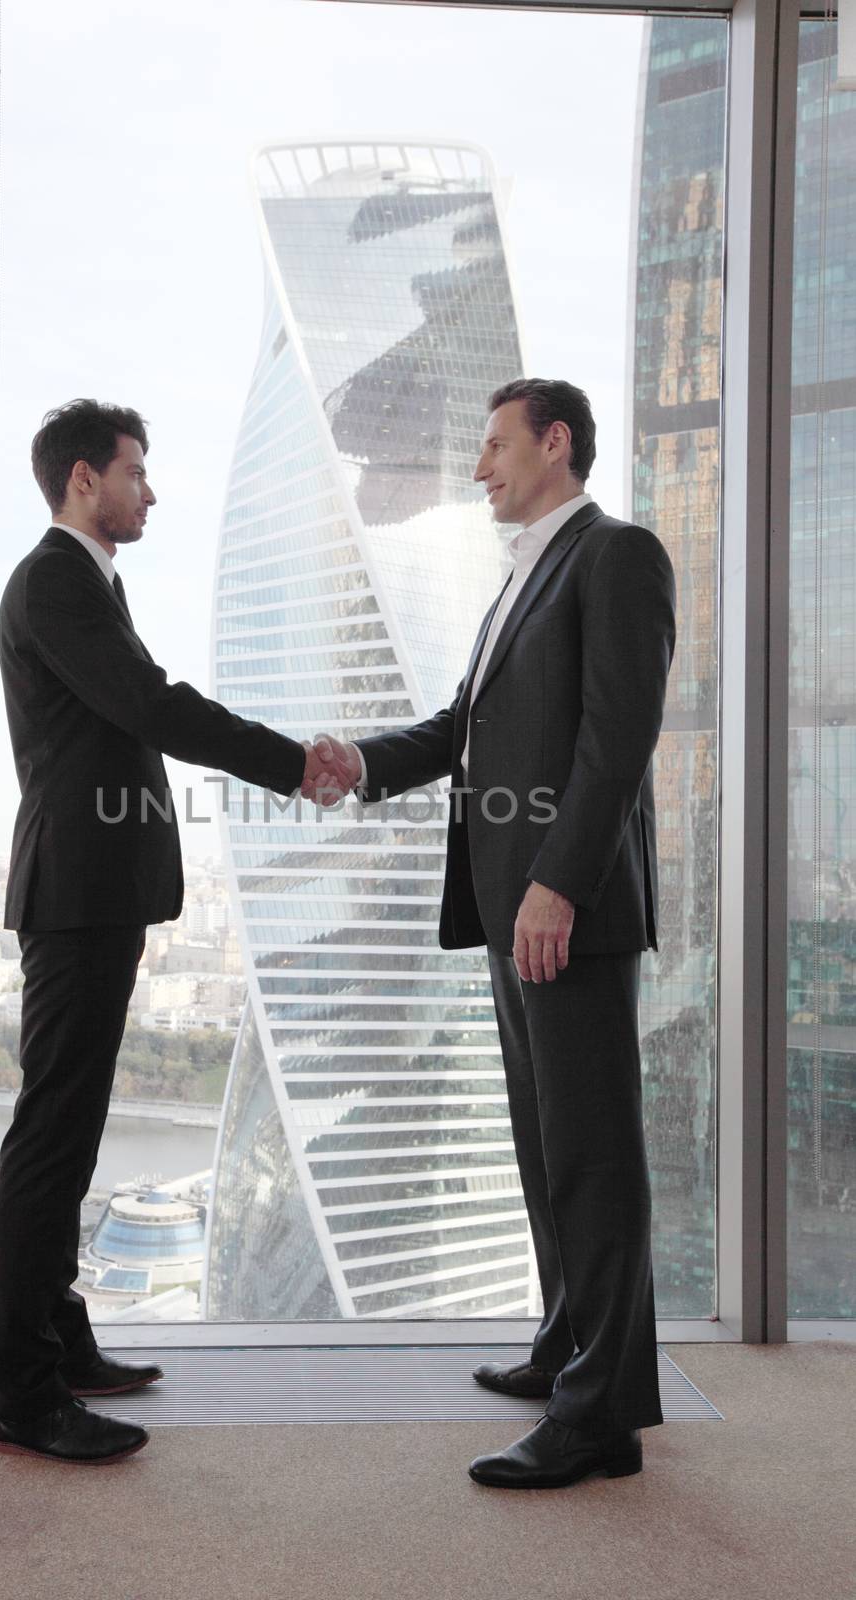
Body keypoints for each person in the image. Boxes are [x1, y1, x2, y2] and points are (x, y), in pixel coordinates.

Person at [306, 378, 676, 1489]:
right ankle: (569, 1346)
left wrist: (558, 882)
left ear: (554, 444)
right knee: (543, 1142)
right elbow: (457, 733)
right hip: (511, 909)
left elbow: (617, 739)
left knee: (592, 1153)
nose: (478, 468)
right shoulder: (517, 582)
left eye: (495, 445)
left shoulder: (615, 556)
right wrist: (355, 762)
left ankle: (600, 1414)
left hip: (563, 907)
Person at [0, 398, 338, 1465]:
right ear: (84, 477)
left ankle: (61, 1336)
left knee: (74, 1127)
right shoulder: (55, 579)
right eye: (137, 470)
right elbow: (150, 703)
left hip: (97, 890)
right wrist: (291, 762)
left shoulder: (88, 581)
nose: (151, 488)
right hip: (77, 893)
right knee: (52, 1136)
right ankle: (23, 1390)